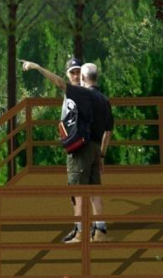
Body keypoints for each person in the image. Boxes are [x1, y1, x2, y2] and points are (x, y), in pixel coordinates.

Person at [20, 57, 114, 242]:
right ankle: (100, 231)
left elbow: (60, 83)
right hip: (95, 148)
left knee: (78, 191)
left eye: (79, 73)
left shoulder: (83, 94)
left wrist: (38, 66)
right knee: (95, 190)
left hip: (82, 148)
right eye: (73, 72)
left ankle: (80, 233)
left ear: (85, 78)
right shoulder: (104, 100)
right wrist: (102, 154)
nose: (76, 76)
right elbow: (108, 130)